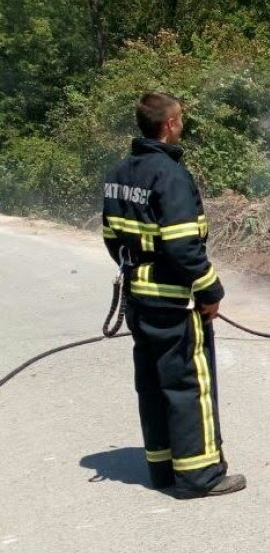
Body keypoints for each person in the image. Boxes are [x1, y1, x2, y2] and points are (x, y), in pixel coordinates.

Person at [102, 92, 245, 497]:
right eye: (180, 118)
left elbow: (111, 235)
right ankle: (200, 476)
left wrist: (138, 267)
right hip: (173, 299)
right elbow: (183, 245)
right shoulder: (170, 175)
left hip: (138, 295)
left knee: (152, 382)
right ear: (169, 124)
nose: (183, 124)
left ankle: (163, 468)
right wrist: (209, 289)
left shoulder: (120, 171)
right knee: (187, 384)